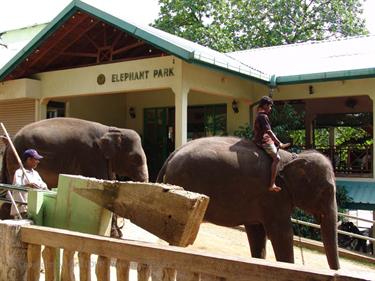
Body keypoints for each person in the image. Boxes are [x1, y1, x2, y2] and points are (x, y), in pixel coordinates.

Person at [253, 96, 290, 192]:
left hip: (261, 140)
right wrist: (279, 143)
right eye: (269, 106)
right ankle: (272, 184)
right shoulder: (263, 116)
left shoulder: (259, 115)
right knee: (277, 158)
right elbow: (268, 131)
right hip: (264, 141)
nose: (270, 108)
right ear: (265, 105)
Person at [8, 148, 48, 218]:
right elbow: (16, 187)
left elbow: (43, 186)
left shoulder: (35, 173)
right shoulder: (19, 172)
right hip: (22, 209)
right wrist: (28, 185)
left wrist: (45, 189)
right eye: (36, 159)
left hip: (34, 208)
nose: (38, 161)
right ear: (29, 159)